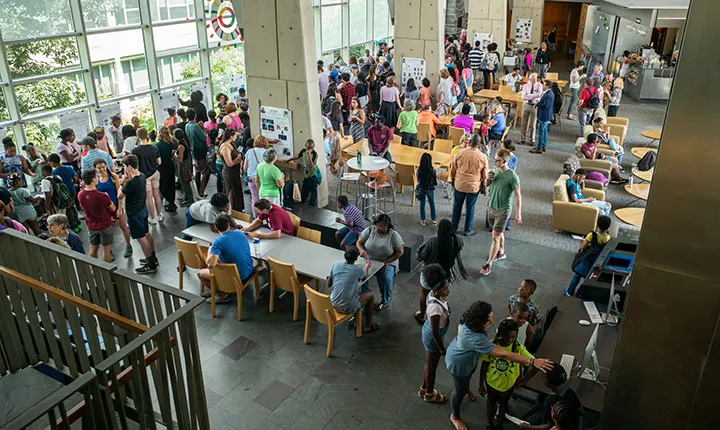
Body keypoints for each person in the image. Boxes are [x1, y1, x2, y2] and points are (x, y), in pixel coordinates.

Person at [445, 301, 554, 430]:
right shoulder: (476, 339)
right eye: (488, 321)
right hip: (459, 364)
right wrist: (532, 361)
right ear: (478, 321)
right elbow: (504, 354)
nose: (491, 323)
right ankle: (455, 416)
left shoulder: (467, 319)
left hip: (468, 358)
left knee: (465, 381)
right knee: (459, 390)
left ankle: (466, 388)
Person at [480, 319, 538, 430]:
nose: (510, 340)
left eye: (513, 337)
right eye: (507, 337)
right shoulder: (491, 346)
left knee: (503, 405)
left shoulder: (518, 348)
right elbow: (484, 366)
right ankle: (489, 424)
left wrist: (524, 379)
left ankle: (499, 425)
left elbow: (533, 363)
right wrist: (481, 384)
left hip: (509, 385)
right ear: (500, 334)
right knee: (490, 403)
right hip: (492, 383)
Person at [480, 148, 522, 276]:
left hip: (503, 211)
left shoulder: (512, 177)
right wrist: (487, 178)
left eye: (498, 161)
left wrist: (518, 213)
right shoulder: (494, 170)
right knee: (497, 232)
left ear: (504, 162)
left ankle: (489, 264)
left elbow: (518, 195)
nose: (495, 162)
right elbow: (486, 185)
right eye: (495, 160)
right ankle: (501, 251)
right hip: (491, 207)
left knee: (495, 237)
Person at [415, 219, 466, 322]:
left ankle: (422, 315)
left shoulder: (432, 241)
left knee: (424, 293)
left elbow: (420, 256)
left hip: (429, 274)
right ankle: (437, 314)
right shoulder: (458, 241)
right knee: (439, 295)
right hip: (446, 274)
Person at [196, 214, 254, 301]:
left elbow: (211, 264)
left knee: (200, 273)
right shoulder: (240, 233)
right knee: (218, 260)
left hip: (236, 279)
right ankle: (216, 289)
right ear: (228, 225)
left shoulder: (217, 242)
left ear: (215, 226)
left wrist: (209, 251)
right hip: (249, 271)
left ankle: (222, 295)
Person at [418, 264, 451, 403]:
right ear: (436, 291)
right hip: (433, 338)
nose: (448, 290)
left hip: (430, 333)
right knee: (432, 367)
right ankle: (430, 394)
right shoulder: (435, 308)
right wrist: (441, 348)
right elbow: (435, 332)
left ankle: (423, 388)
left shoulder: (433, 295)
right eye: (445, 289)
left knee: (429, 363)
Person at [356, 214, 404, 311]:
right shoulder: (370, 230)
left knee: (386, 278)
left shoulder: (394, 235)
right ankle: (366, 295)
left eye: (382, 226)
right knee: (361, 274)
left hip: (386, 261)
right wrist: (361, 250)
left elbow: (400, 252)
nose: (379, 228)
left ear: (387, 226)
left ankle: (385, 300)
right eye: (377, 225)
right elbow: (359, 242)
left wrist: (387, 261)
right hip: (369, 259)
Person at [118, 155, 157, 274]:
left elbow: (119, 196)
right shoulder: (142, 176)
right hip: (142, 210)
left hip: (134, 213)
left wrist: (121, 183)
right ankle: (153, 257)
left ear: (129, 166)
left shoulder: (131, 183)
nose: (124, 169)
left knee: (141, 238)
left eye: (124, 166)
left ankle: (150, 264)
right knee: (146, 233)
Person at [327, 246, 379, 332]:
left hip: (332, 303)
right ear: (356, 258)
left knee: (353, 293)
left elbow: (329, 284)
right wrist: (366, 267)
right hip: (347, 307)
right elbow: (364, 277)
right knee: (370, 295)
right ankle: (368, 326)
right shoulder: (357, 270)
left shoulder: (335, 266)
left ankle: (356, 320)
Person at [449, 133, 488, 235]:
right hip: (473, 186)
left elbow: (453, 167)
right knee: (470, 207)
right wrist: (483, 181)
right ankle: (468, 229)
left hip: (460, 183)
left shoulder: (460, 153)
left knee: (457, 205)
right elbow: (485, 174)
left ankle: (453, 227)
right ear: (479, 144)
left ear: (470, 142)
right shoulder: (482, 157)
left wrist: (452, 178)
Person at [565, 215, 612, 296]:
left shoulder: (592, 235)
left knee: (577, 275)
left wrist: (581, 242)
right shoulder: (608, 237)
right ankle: (580, 293)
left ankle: (570, 292)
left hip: (587, 259)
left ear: (597, 225)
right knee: (589, 278)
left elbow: (583, 247)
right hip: (597, 261)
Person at [94, 158, 132, 257]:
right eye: (99, 168)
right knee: (107, 231)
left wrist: (119, 208)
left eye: (103, 167)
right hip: (105, 209)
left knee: (123, 226)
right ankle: (108, 250)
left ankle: (128, 245)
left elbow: (119, 193)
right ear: (95, 169)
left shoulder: (113, 177)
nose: (102, 169)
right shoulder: (96, 180)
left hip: (116, 205)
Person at [78, 168, 116, 262]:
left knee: (93, 248)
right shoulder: (102, 196)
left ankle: (92, 269)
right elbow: (113, 208)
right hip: (104, 225)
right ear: (93, 179)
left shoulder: (80, 194)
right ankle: (106, 272)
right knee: (106, 251)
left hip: (91, 225)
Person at [130, 128, 163, 224]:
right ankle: (160, 215)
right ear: (147, 135)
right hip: (155, 174)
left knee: (149, 198)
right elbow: (159, 162)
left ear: (138, 137)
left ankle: (152, 218)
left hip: (145, 176)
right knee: (156, 195)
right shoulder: (154, 148)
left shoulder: (135, 150)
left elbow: (134, 165)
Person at [47, 153, 81, 231]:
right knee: (73, 206)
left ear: (51, 162)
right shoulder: (69, 167)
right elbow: (76, 178)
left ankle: (74, 226)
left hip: (64, 193)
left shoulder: (54, 172)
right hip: (72, 190)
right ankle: (78, 223)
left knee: (68, 210)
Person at [216, 128, 245, 212]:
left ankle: (236, 209)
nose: (236, 137)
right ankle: (230, 210)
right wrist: (238, 159)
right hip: (229, 172)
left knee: (236, 190)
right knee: (231, 191)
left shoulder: (231, 144)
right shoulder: (225, 147)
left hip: (235, 172)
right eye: (235, 135)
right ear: (231, 136)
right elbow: (230, 163)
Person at [184, 108, 210, 197]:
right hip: (200, 151)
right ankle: (201, 191)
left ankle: (199, 191)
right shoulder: (196, 126)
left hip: (193, 150)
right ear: (195, 115)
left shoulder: (187, 125)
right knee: (206, 171)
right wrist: (203, 129)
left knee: (197, 171)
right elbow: (203, 138)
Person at [290, 139, 320, 207]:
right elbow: (297, 157)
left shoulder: (315, 154)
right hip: (306, 176)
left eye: (311, 148)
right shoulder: (303, 151)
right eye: (308, 148)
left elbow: (312, 165)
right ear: (305, 146)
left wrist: (309, 155)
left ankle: (312, 206)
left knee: (313, 192)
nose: (309, 149)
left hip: (313, 175)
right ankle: (302, 204)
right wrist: (288, 160)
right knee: (304, 191)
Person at [244, 136, 268, 217]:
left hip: (251, 178)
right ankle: (263, 217)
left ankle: (256, 216)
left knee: (254, 197)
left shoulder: (250, 151)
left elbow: (245, 167)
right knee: (263, 198)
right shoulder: (266, 152)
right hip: (262, 178)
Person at [155, 127, 177, 212]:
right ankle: (171, 201)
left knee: (163, 184)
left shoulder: (157, 146)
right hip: (170, 165)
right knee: (171, 184)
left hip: (162, 166)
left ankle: (166, 200)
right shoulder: (171, 143)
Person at [531, 79, 555, 154]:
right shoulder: (550, 93)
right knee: (544, 131)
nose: (542, 86)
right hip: (547, 115)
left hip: (544, 115)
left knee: (541, 131)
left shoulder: (548, 94)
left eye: (544, 84)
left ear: (547, 86)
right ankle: (543, 145)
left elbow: (545, 105)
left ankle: (539, 148)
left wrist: (538, 104)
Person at [520, 73, 543, 145]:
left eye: (536, 79)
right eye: (533, 79)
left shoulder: (539, 85)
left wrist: (528, 95)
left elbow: (539, 94)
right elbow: (523, 97)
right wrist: (533, 96)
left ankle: (532, 139)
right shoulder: (525, 86)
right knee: (523, 123)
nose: (535, 80)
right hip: (526, 105)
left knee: (533, 124)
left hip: (534, 106)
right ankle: (522, 138)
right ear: (529, 79)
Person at [174, 128, 194, 207]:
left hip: (184, 167)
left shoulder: (180, 146)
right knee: (184, 182)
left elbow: (180, 160)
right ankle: (186, 196)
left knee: (185, 182)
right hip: (187, 164)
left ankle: (189, 199)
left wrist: (175, 155)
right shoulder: (184, 142)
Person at [416, 153, 438, 225]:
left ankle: (423, 220)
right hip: (430, 189)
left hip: (422, 188)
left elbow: (418, 179)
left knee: (422, 203)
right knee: (432, 203)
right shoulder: (433, 170)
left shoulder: (419, 170)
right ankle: (434, 219)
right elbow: (435, 182)